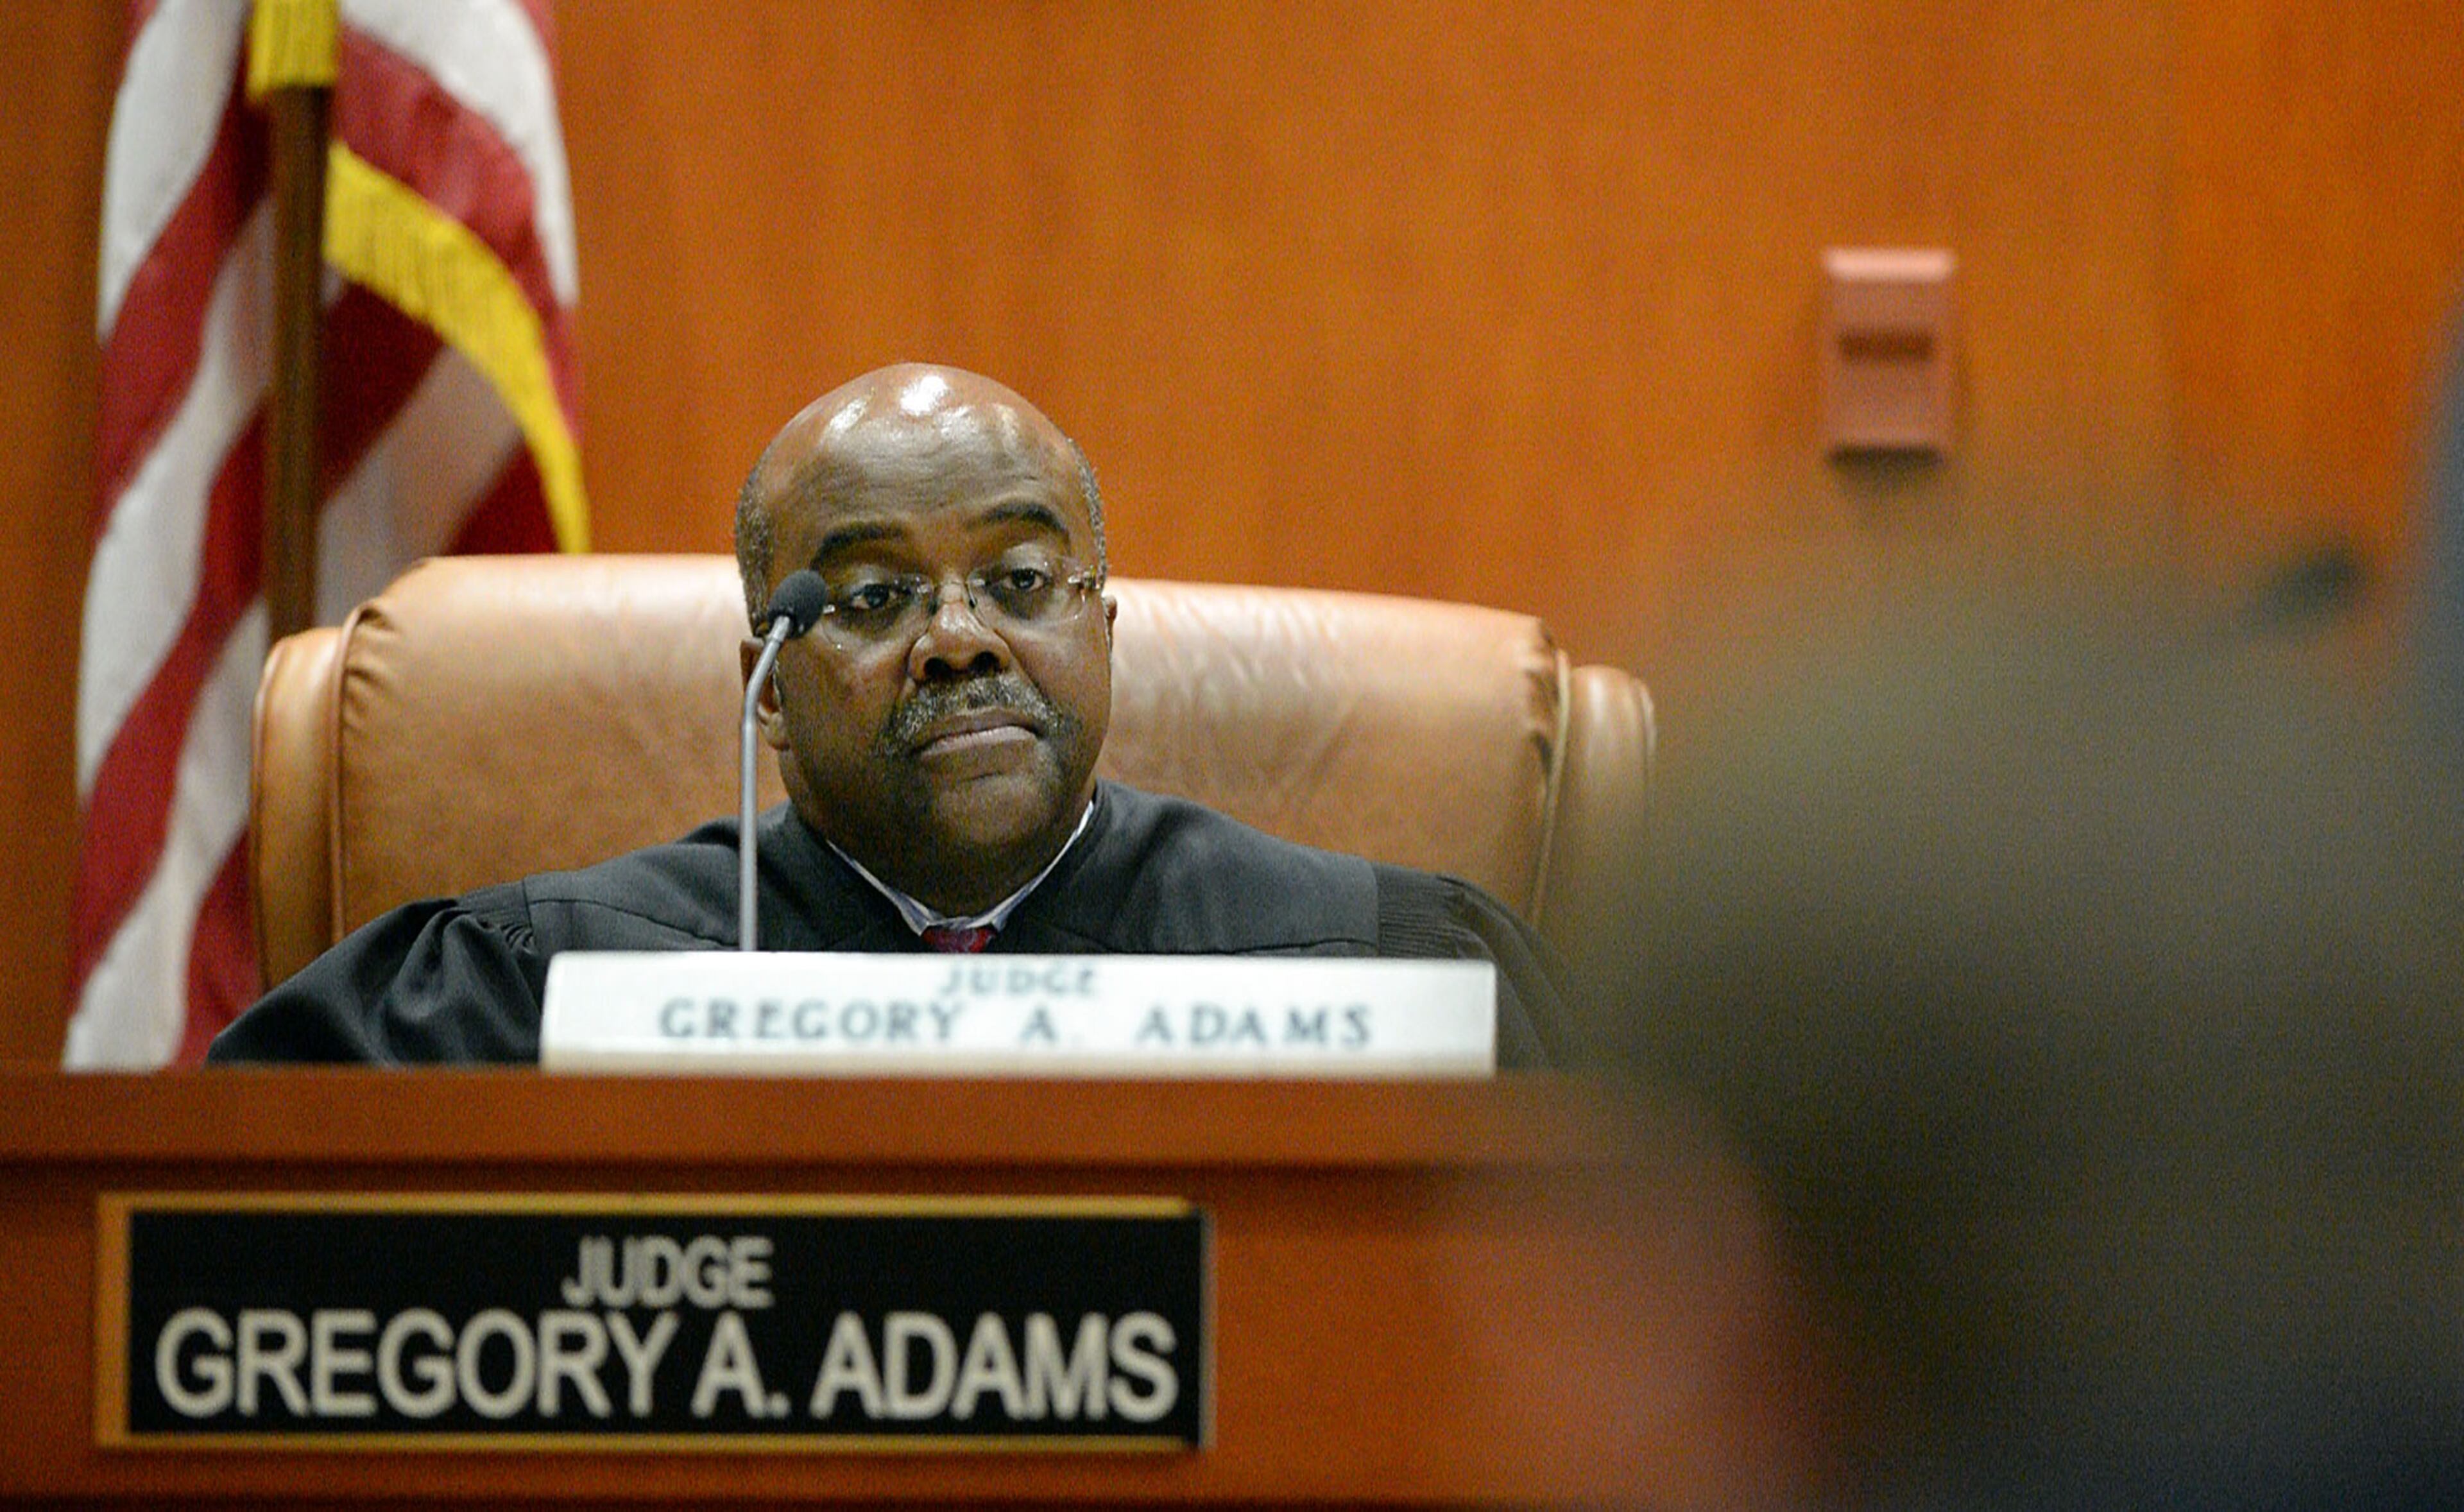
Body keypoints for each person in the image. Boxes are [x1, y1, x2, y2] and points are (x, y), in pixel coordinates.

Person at [209, 364, 1568, 1065]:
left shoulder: (1393, 974)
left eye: (1021, 579)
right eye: (868, 598)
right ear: (772, 684)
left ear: (1101, 630)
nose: (958, 640)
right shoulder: (529, 992)